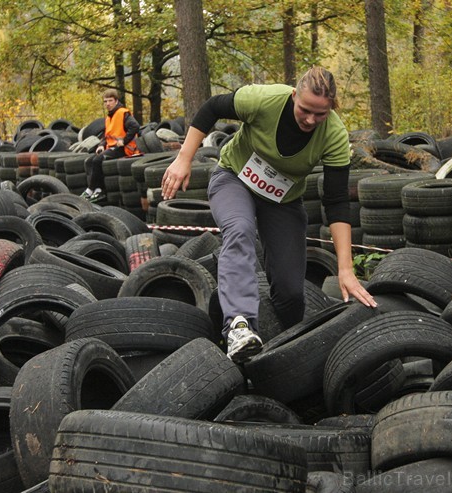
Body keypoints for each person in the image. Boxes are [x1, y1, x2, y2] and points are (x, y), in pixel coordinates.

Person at [161, 66, 377, 363]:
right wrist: (183, 159)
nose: (311, 120)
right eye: (305, 110)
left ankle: (283, 356)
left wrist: (345, 269)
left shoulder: (335, 136)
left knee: (291, 292)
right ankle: (238, 325)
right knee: (240, 229)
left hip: (282, 202)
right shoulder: (263, 100)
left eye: (320, 114)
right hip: (234, 180)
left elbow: (337, 201)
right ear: (293, 96)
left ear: (331, 109)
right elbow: (211, 108)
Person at [81, 89, 141, 203]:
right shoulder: (109, 118)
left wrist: (124, 141)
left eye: (110, 101)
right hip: (112, 147)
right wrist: (101, 145)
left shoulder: (123, 113)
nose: (107, 104)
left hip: (125, 149)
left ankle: (91, 189)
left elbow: (135, 127)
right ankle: (97, 190)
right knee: (89, 161)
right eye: (105, 101)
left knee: (98, 160)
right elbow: (107, 135)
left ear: (116, 101)